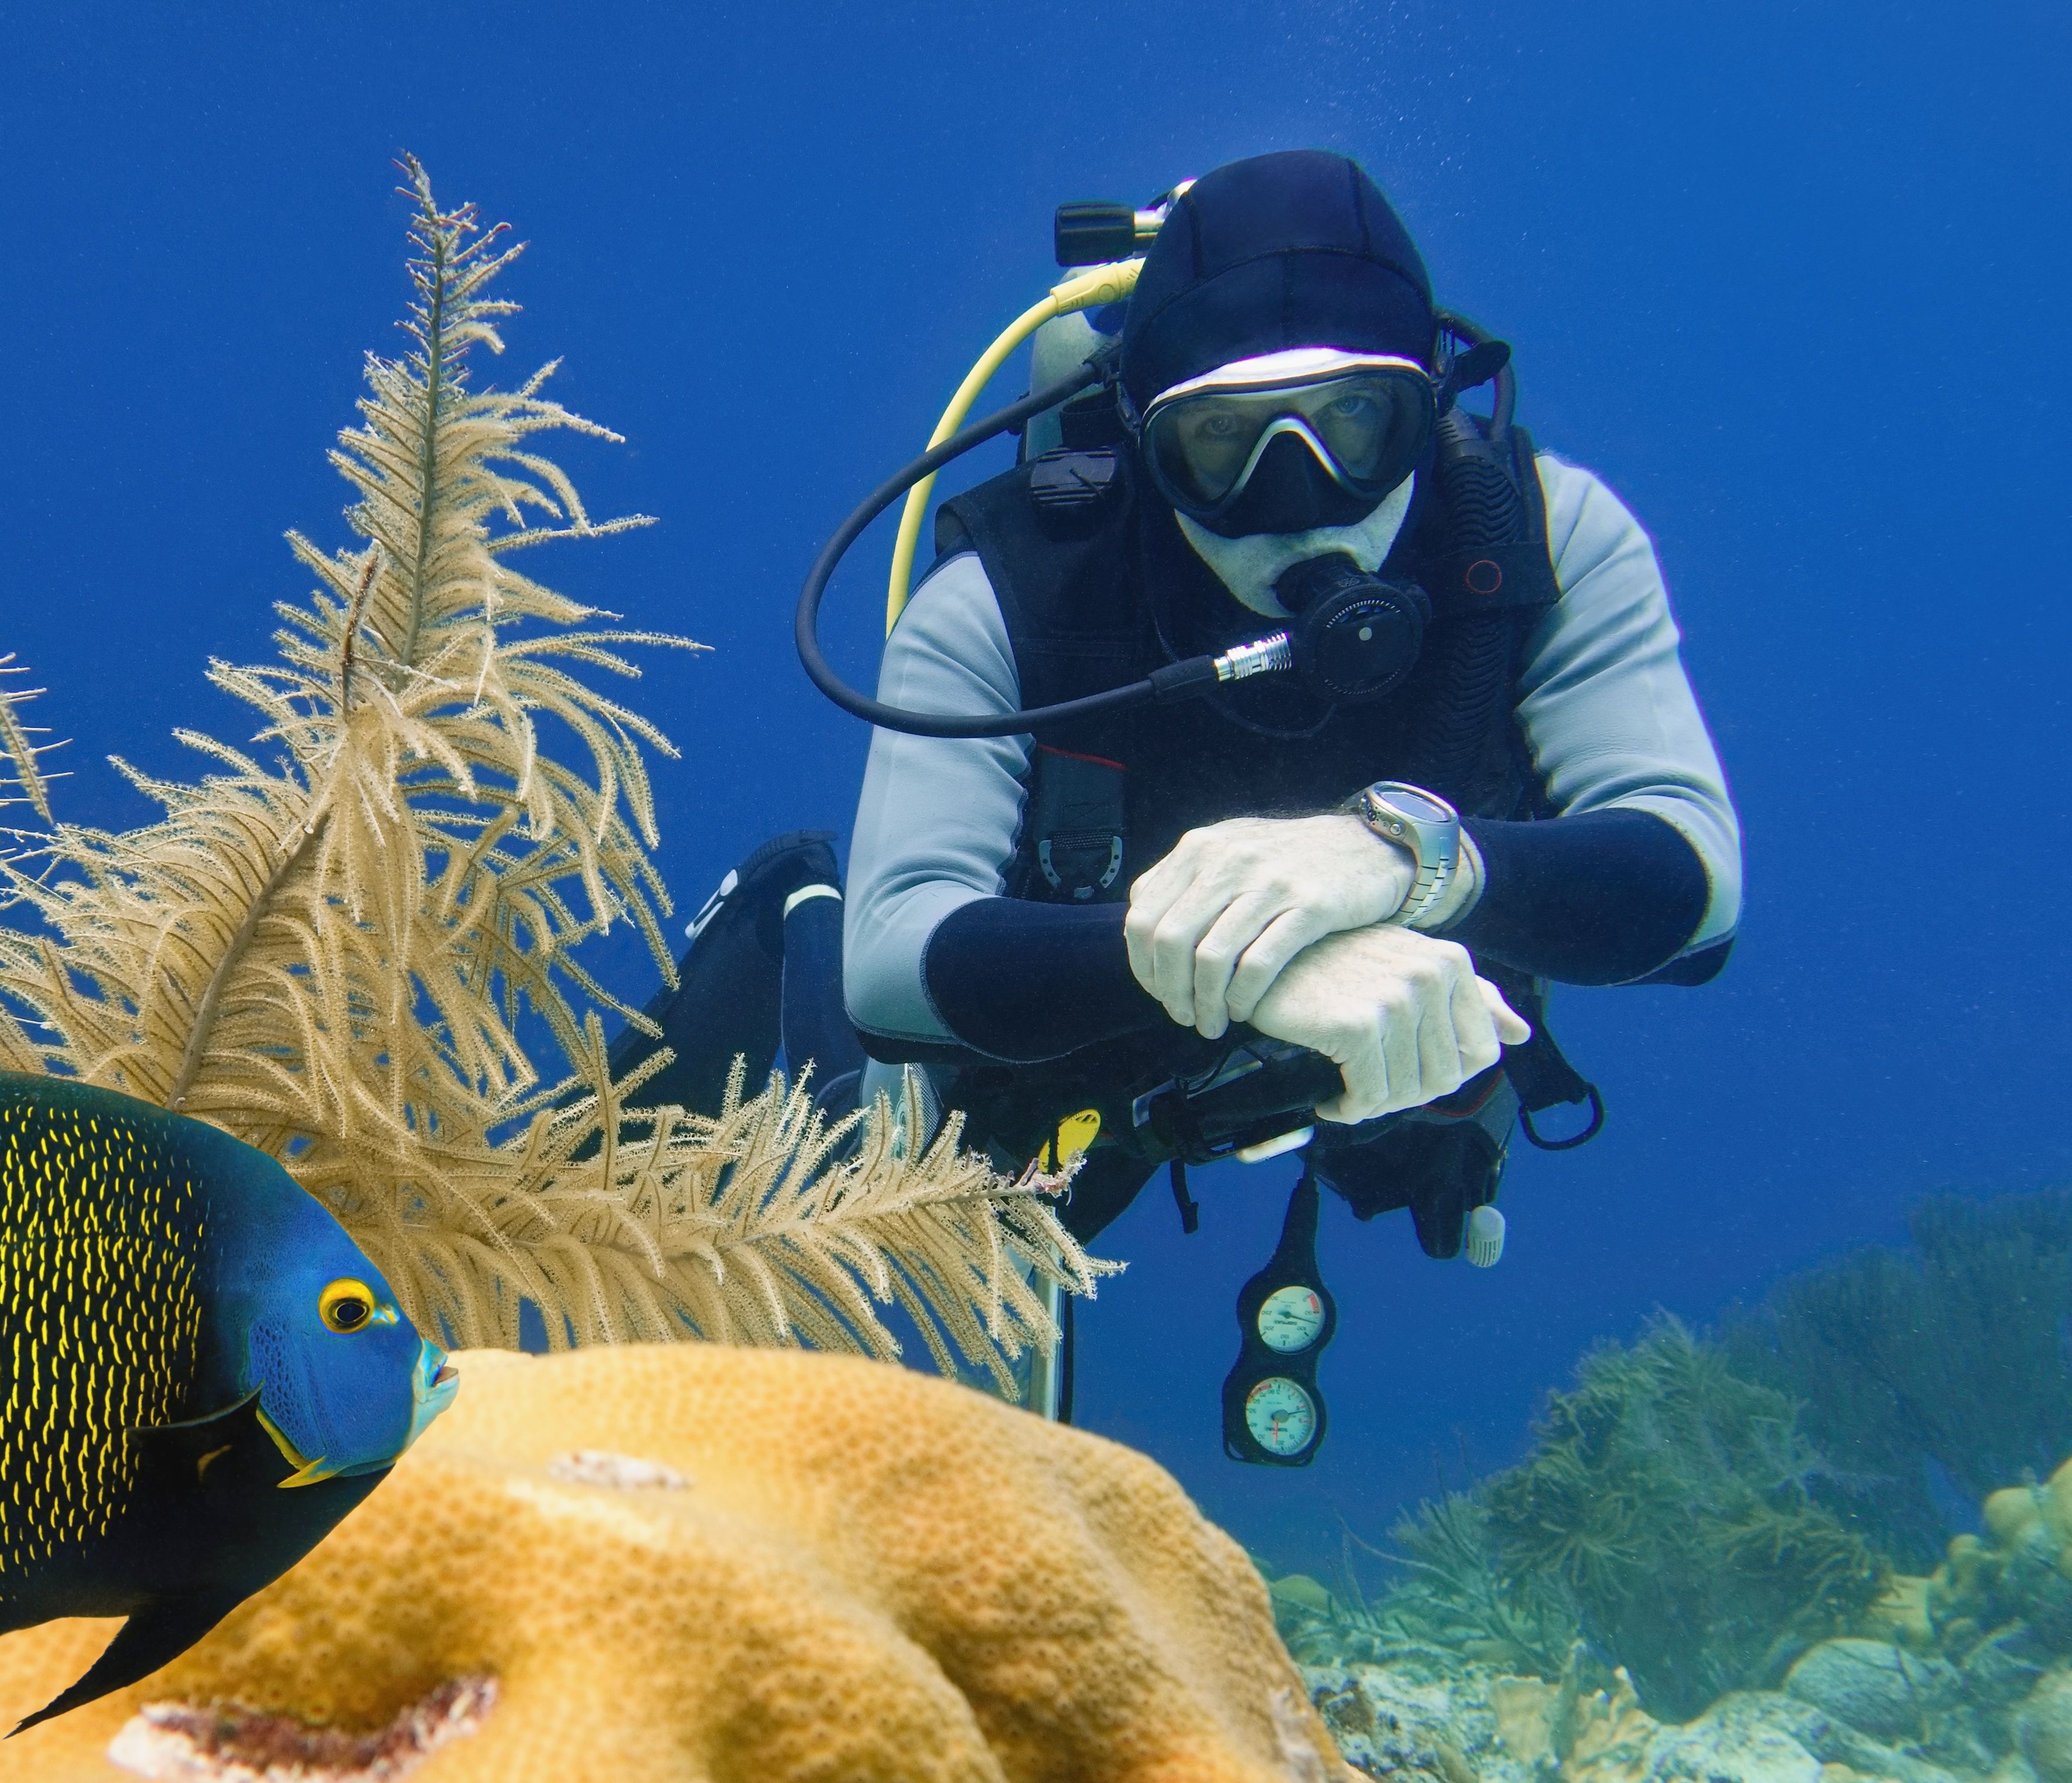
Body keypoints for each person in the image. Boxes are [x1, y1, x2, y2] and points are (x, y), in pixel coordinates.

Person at [634, 149, 1739, 1280]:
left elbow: (1692, 884)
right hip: (1069, 1034)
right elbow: (891, 966)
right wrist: (1258, 964)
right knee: (886, 1206)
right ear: (1143, 438)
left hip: (1365, 1038)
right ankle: (789, 904)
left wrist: (1392, 859)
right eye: (1222, 440)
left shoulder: (1543, 541)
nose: (1297, 498)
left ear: (1429, 403)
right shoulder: (1010, 594)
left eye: (1355, 418)